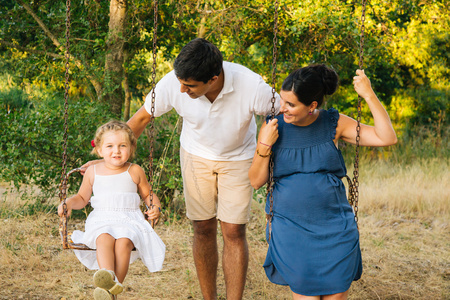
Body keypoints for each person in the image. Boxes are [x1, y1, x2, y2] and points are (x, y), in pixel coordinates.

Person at [126, 38, 280, 300]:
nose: (183, 91)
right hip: (195, 156)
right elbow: (140, 119)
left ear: (214, 77)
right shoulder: (174, 83)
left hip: (239, 158)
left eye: (190, 86)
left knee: (233, 230)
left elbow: (285, 116)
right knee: (202, 227)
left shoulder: (251, 85)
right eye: (181, 84)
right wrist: (109, 158)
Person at [248, 65, 397, 300]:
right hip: (291, 230)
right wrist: (264, 145)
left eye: (291, 104)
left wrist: (369, 95)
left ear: (312, 106)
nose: (282, 107)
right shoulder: (273, 127)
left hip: (334, 228)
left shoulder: (334, 123)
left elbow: (387, 137)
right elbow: (256, 181)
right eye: (282, 100)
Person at [58, 120, 165, 300]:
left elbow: (148, 195)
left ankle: (114, 286)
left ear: (131, 148)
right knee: (103, 238)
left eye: (122, 146)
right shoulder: (93, 171)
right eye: (110, 146)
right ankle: (107, 279)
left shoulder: (135, 170)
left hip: (129, 219)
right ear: (99, 150)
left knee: (124, 241)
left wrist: (155, 207)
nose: (116, 151)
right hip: (102, 218)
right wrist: (68, 202)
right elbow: (82, 198)